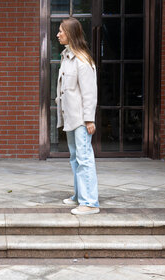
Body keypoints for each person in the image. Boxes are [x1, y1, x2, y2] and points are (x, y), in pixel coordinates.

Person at [56, 17, 100, 215]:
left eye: (61, 31)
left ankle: (90, 203)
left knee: (84, 158)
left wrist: (89, 120)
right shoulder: (67, 57)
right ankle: (79, 195)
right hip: (71, 118)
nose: (58, 34)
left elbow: (89, 93)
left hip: (82, 120)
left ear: (70, 34)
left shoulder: (83, 61)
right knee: (75, 157)